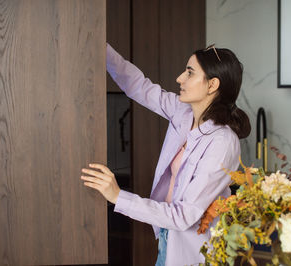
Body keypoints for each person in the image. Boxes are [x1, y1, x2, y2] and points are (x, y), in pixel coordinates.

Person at [81, 43, 251, 266]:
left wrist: (118, 196)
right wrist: (99, 45)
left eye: (190, 73)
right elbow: (137, 86)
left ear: (212, 85)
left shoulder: (222, 142)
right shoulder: (183, 112)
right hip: (167, 237)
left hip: (196, 250)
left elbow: (185, 215)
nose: (180, 78)